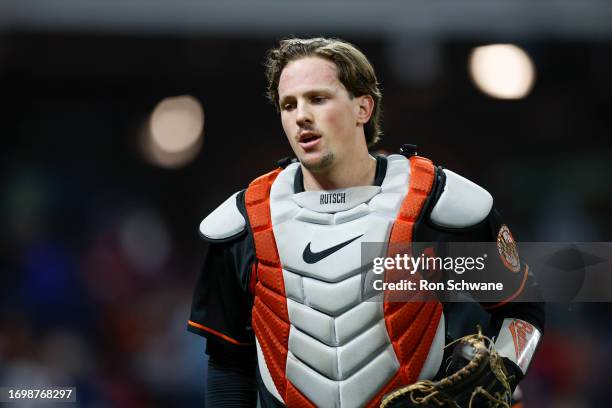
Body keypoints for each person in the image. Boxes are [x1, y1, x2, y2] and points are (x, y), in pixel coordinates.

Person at [188, 37, 544, 407]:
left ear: (363, 107)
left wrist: (503, 369)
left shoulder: (435, 205)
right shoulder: (245, 222)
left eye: (318, 98)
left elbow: (523, 307)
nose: (301, 116)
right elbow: (229, 361)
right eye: (288, 104)